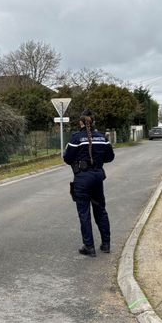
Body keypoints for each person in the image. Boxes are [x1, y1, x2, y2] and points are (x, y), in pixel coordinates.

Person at [63, 109, 115, 257]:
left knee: (84, 213)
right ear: (93, 122)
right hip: (98, 177)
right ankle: (106, 244)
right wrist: (97, 161)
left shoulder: (76, 138)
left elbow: (67, 158)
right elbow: (110, 157)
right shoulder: (102, 138)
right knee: (100, 210)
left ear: (81, 122)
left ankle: (89, 247)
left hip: (82, 179)